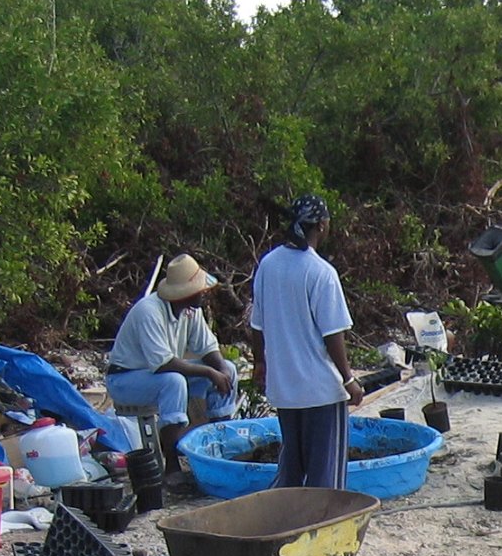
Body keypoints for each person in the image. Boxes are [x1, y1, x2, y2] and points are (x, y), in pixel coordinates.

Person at [247, 195, 361, 491]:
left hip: (285, 390)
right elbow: (332, 334)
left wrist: (260, 363)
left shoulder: (268, 265)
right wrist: (349, 379)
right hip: (320, 393)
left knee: (291, 473)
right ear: (322, 226)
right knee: (325, 480)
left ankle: (287, 525)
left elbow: (256, 325)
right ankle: (320, 529)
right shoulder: (321, 273)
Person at [103, 254, 238, 483]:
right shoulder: (149, 311)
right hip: (125, 380)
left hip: (154, 375)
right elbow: (163, 363)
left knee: (231, 370)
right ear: (186, 293)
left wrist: (221, 370)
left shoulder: (191, 312)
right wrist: (209, 372)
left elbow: (207, 348)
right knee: (174, 381)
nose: (204, 293)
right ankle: (172, 465)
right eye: (200, 289)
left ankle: (223, 450)